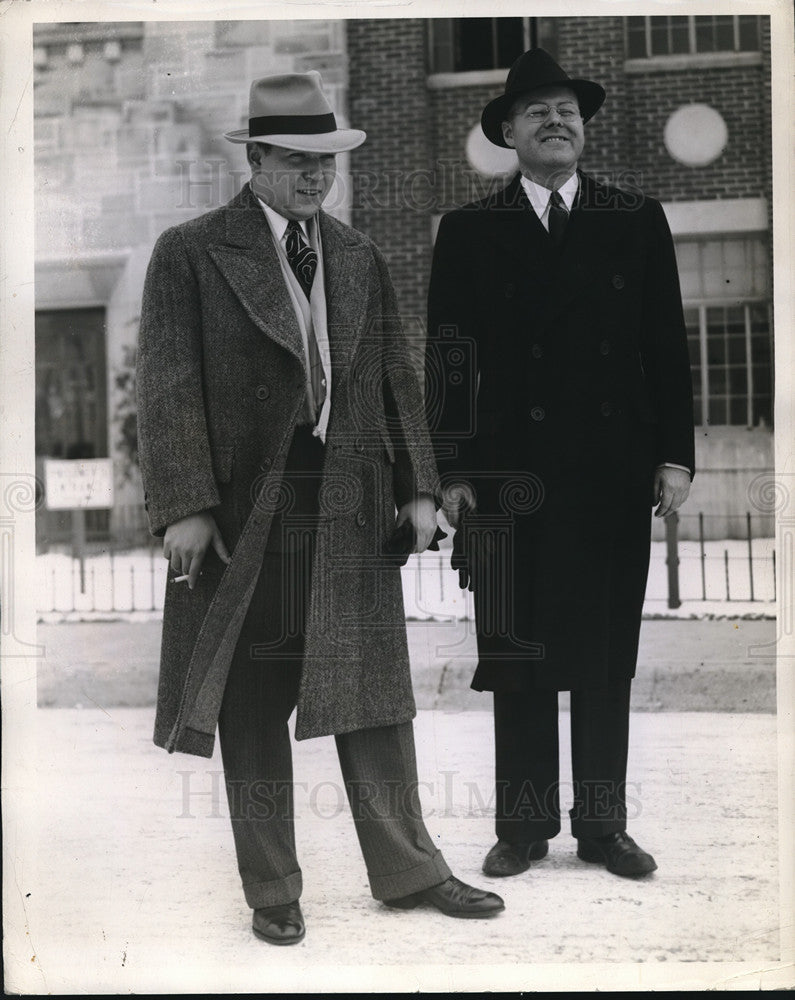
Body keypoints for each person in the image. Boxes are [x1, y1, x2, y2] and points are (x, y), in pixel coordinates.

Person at [136, 71, 503, 945]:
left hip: (352, 499)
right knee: (253, 696)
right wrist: (185, 503)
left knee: (373, 692)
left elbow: (393, 378)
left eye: (325, 161)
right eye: (296, 160)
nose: (314, 177)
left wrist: (418, 485)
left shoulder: (356, 252)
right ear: (256, 158)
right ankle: (272, 887)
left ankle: (409, 871)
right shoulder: (189, 251)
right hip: (245, 508)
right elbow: (168, 387)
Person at [425, 49, 694, 881]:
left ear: (583, 128)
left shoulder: (634, 216)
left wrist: (674, 456)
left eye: (568, 110)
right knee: (518, 654)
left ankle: (603, 827)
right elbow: (450, 360)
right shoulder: (469, 231)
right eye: (536, 111)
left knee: (606, 656)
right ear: (506, 132)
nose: (556, 122)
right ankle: (523, 825)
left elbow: (665, 347)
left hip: (610, 472)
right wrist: (456, 471)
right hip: (508, 479)